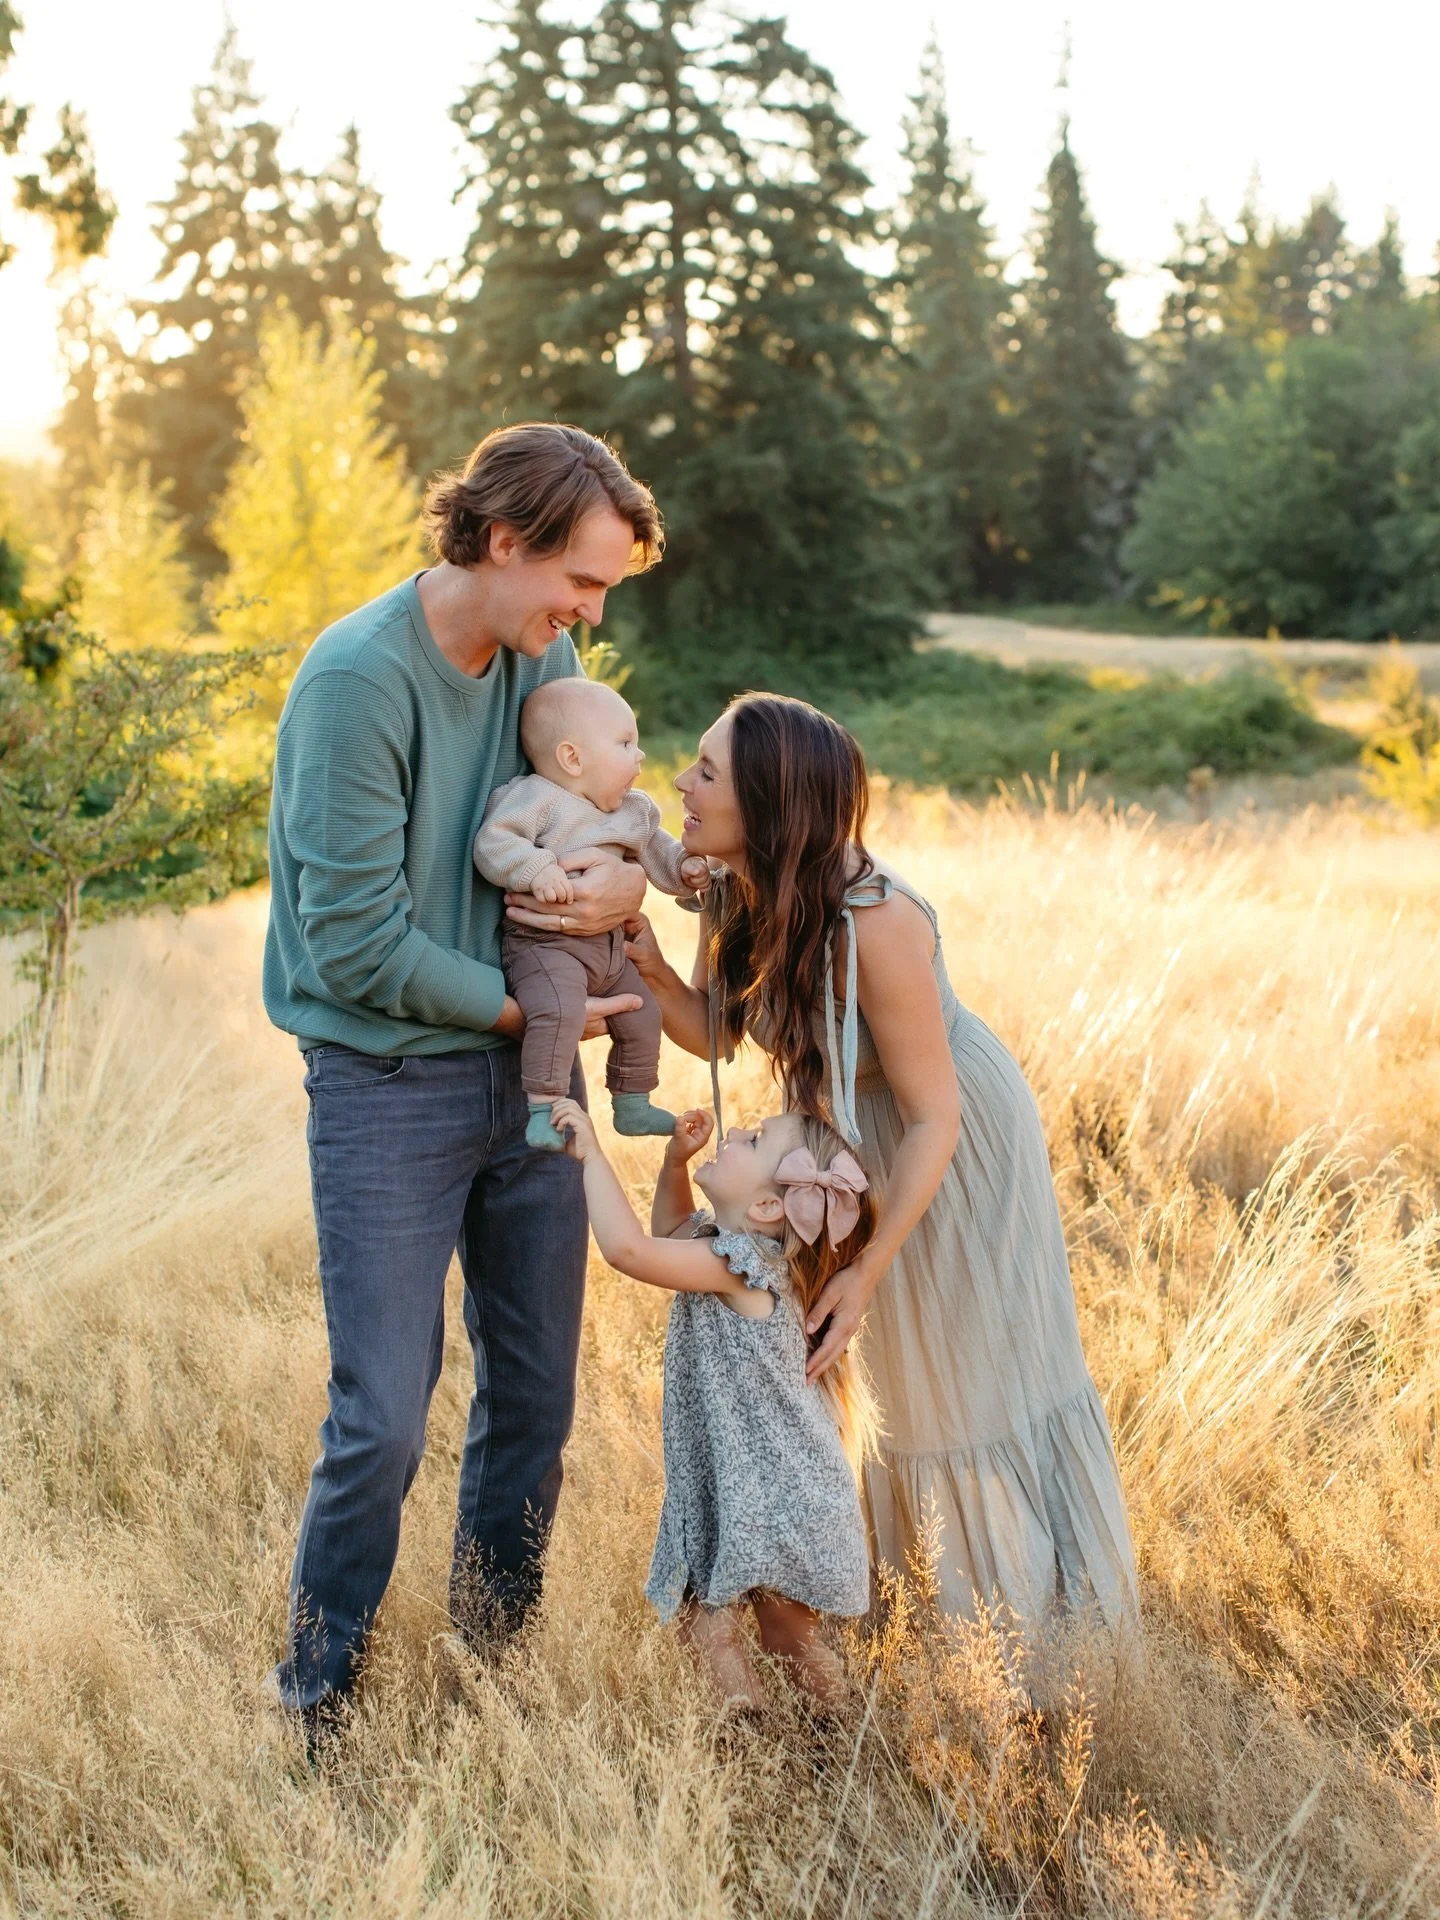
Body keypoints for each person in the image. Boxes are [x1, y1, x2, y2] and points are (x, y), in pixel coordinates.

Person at [262, 422, 662, 1730]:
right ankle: (316, 1702)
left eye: (602, 591)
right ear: (500, 539)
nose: (588, 615)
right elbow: (353, 943)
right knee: (382, 1413)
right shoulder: (356, 682)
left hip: (531, 1086)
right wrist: (526, 1017)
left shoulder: (543, 664)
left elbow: (589, 821)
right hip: (391, 1086)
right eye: (579, 582)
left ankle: (491, 1677)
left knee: (536, 1399)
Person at [603, 693, 1140, 1639]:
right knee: (871, 1384)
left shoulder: (876, 921)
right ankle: (893, 1620)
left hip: (944, 1150)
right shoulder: (734, 886)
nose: (681, 783)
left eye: (707, 772)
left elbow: (936, 1115)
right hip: (840, 1142)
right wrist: (646, 965)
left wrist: (866, 1266)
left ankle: (1024, 1648)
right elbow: (719, 1032)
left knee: (961, 1385)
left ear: (770, 807)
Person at [549, 1095, 875, 1710]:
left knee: (789, 1641)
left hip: (781, 1492)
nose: (738, 1129)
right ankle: (745, 1738)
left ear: (767, 1207)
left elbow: (630, 1252)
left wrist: (592, 1155)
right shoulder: (724, 1247)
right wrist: (675, 1163)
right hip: (744, 1482)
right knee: (711, 1624)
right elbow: (668, 1234)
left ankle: (834, 1743)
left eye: (754, 1140)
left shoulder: (745, 1266)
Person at [474, 678, 711, 1151]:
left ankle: (632, 1102)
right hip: (544, 947)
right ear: (572, 759)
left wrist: (685, 869)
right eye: (625, 743)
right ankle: (543, 1107)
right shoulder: (535, 798)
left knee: (643, 1015)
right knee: (556, 1013)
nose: (640, 756)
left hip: (610, 949)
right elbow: (493, 843)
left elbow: (657, 848)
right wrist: (536, 866)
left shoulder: (633, 809)